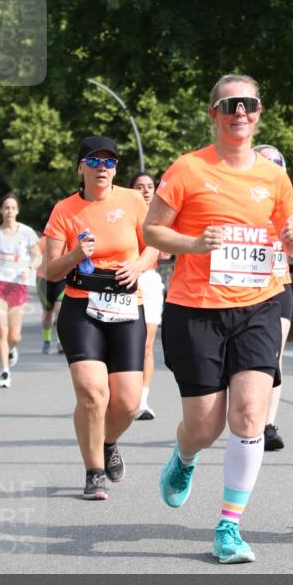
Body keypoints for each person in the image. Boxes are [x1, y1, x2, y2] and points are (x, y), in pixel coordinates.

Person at [143, 74, 293, 563]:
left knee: (251, 415)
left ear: (259, 111)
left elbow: (291, 224)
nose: (241, 112)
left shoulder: (274, 176)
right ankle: (185, 456)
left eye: (249, 104)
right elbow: (151, 230)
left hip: (260, 303)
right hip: (195, 310)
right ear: (213, 113)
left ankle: (228, 526)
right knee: (205, 424)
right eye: (230, 104)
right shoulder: (189, 169)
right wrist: (193, 244)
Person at [44, 136, 159, 500]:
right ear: (80, 168)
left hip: (127, 306)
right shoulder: (64, 210)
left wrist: (139, 264)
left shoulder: (132, 201)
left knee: (127, 403)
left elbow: (153, 245)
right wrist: (76, 253)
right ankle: (94, 470)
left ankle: (108, 442)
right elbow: (49, 270)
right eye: (94, 161)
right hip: (82, 308)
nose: (103, 168)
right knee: (93, 394)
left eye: (109, 162)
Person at [253, 144, 293, 452]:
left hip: (280, 286)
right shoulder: (237, 199)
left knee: (274, 357)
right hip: (243, 290)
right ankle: (245, 412)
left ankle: (267, 425)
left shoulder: (289, 204)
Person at [0, 194, 41, 389]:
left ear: (18, 210)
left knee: (14, 336)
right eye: (6, 207)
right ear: (1, 210)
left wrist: (30, 268)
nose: (9, 211)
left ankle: (12, 348)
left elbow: (38, 256)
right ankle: (5, 371)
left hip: (17, 285)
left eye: (13, 208)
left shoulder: (27, 232)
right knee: (1, 329)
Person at [129, 171, 167, 420]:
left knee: (146, 344)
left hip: (150, 280)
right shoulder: (121, 213)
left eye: (150, 186)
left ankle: (142, 402)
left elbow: (165, 254)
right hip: (125, 279)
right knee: (122, 343)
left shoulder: (161, 218)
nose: (145, 190)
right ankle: (119, 394)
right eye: (140, 186)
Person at [35, 235, 65, 354]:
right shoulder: (41, 241)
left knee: (60, 310)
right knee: (48, 313)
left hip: (62, 279)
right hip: (44, 280)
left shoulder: (66, 239)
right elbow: (35, 257)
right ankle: (46, 341)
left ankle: (60, 342)